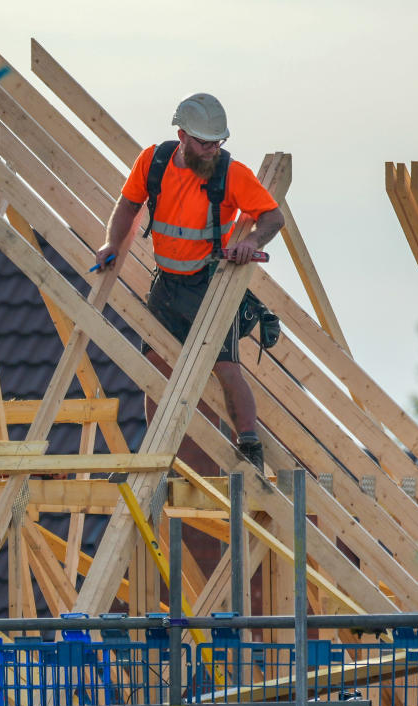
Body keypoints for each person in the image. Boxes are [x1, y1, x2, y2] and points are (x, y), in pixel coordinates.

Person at [94, 92, 284, 471]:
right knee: (155, 362)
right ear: (182, 136)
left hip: (210, 283)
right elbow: (129, 205)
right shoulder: (154, 162)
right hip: (167, 283)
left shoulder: (231, 173)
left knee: (226, 367)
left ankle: (248, 444)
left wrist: (250, 241)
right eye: (204, 142)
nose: (212, 149)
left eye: (218, 142)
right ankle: (155, 450)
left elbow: (272, 217)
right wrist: (111, 244)